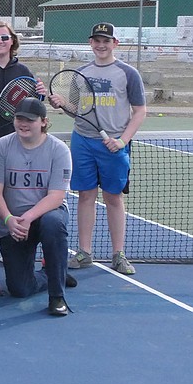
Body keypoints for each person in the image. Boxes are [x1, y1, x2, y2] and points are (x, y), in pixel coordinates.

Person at [50, 22, 147, 276]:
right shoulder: (80, 73)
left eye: (106, 40)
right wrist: (62, 104)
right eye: (97, 40)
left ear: (115, 43)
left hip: (114, 145)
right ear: (90, 43)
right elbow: (77, 110)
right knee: (85, 196)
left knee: (114, 198)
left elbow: (140, 111)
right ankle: (84, 252)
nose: (101, 45)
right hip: (83, 140)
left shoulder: (128, 73)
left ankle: (118, 254)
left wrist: (122, 141)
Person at [0, 98, 74, 315]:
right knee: (19, 289)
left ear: (43, 122)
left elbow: (56, 196)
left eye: (30, 120)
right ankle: (52, 272)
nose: (23, 124)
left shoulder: (59, 150)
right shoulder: (0, 147)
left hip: (45, 216)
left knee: (53, 224)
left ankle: (57, 296)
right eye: (19, 118)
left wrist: (28, 218)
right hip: (14, 223)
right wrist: (9, 219)